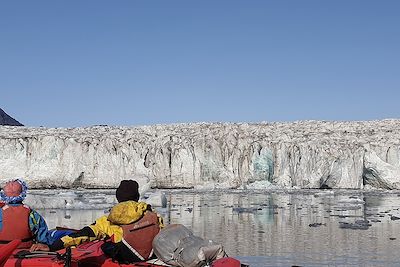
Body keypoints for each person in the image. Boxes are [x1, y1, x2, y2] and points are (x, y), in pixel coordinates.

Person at [31, 180, 164, 264]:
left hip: (125, 259)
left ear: (118, 198)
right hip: (151, 258)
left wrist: (52, 247)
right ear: (137, 197)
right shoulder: (153, 216)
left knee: (103, 245)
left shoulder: (108, 221)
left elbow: (83, 235)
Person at [0, 178, 54, 249]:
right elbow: (43, 236)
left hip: (3, 251)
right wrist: (43, 243)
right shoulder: (32, 214)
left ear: (4, 195)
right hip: (26, 251)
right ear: (22, 194)